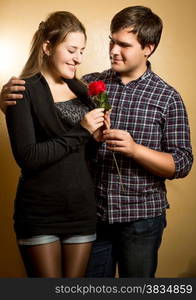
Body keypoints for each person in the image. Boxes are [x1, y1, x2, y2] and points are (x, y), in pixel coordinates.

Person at [0, 6, 193, 278]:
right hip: (94, 215)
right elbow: (44, 113)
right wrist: (7, 101)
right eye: (112, 41)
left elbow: (183, 163)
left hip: (140, 220)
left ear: (148, 48)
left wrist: (135, 150)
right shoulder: (88, 84)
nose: (114, 50)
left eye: (124, 44)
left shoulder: (167, 98)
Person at [0, 11, 110, 278]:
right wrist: (82, 130)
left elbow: (83, 154)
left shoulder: (83, 90)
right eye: (72, 49)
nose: (78, 58)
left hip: (81, 209)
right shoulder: (21, 90)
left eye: (82, 51)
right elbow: (28, 157)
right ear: (47, 46)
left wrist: (96, 138)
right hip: (40, 213)